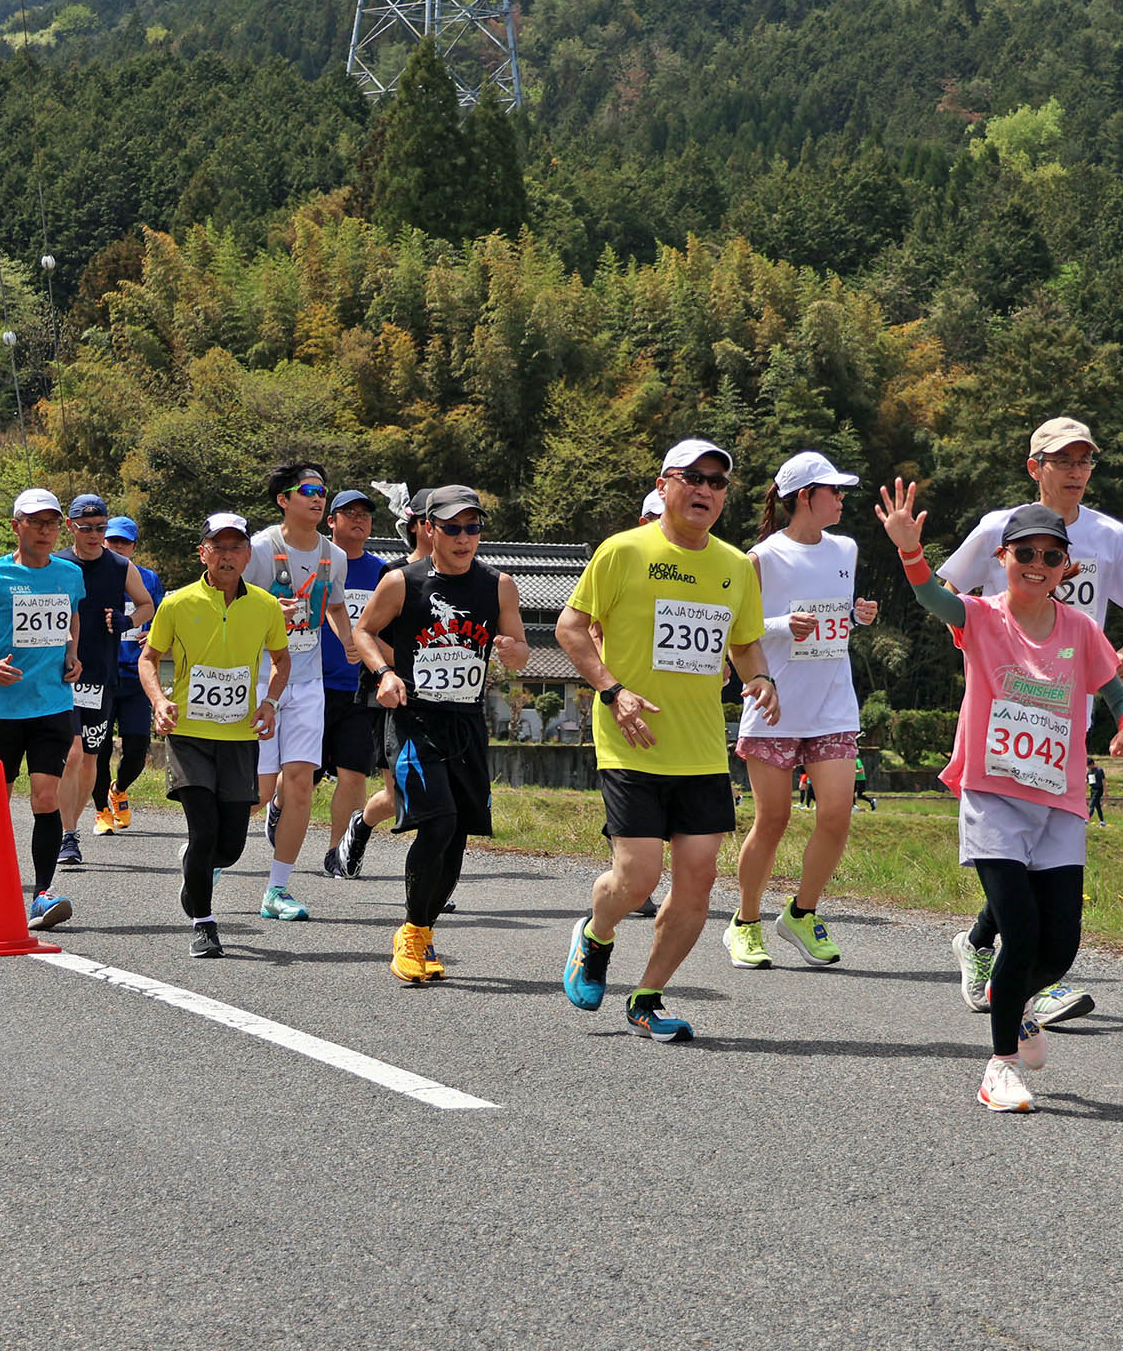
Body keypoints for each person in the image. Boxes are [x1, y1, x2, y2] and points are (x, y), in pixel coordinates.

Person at [884, 487, 1123, 1111]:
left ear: (1065, 568)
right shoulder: (980, 616)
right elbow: (928, 596)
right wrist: (911, 551)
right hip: (994, 793)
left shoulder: (1080, 628)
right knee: (1020, 933)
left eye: (1051, 557)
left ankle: (1017, 1003)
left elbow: (1113, 689)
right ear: (1003, 557)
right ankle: (998, 1067)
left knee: (1061, 946)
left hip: (1058, 801)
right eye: (1025, 552)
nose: (1037, 564)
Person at [558, 438, 778, 1041]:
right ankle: (596, 933)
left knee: (701, 875)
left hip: (702, 746)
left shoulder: (736, 566)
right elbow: (571, 628)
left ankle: (648, 995)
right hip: (633, 739)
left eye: (718, 481)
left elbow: (745, 641)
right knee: (637, 877)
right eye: (693, 477)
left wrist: (759, 675)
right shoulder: (623, 552)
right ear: (664, 485)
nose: (705, 489)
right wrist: (612, 689)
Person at [943, 418, 1123, 1028]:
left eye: (1085, 460)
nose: (1076, 471)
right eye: (1063, 460)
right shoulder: (995, 527)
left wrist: (1119, 666)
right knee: (1016, 864)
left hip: (1071, 705)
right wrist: (987, 648)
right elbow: (948, 591)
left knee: (1039, 857)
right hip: (1004, 704)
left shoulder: (1111, 536)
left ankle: (988, 950)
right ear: (1034, 466)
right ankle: (1024, 990)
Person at [353, 485, 529, 981]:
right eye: (452, 527)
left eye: (472, 527)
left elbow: (517, 646)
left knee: (458, 836)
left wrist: (515, 654)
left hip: (466, 725)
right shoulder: (402, 582)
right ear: (427, 529)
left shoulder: (499, 585)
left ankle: (424, 931)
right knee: (439, 822)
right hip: (415, 722)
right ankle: (409, 933)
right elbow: (364, 631)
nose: (463, 537)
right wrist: (384, 674)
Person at [724, 451, 878, 970]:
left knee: (836, 815)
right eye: (833, 490)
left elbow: (838, 616)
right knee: (773, 818)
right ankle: (744, 923)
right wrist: (781, 624)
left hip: (833, 701)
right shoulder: (760, 558)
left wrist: (858, 616)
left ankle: (801, 913)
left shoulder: (847, 548)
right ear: (804, 497)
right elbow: (735, 629)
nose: (841, 499)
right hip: (775, 702)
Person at [139, 513, 290, 958]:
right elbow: (148, 659)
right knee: (204, 830)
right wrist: (159, 701)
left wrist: (270, 703)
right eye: (217, 546)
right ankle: (204, 923)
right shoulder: (177, 603)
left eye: (235, 547)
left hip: (239, 736)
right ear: (202, 552)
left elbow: (282, 661)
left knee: (230, 846)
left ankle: (197, 866)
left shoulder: (264, 605)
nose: (227, 555)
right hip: (188, 734)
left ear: (248, 554)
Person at [0, 487, 85, 930]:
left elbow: (72, 616)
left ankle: (42, 894)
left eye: (52, 523)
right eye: (36, 522)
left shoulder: (69, 574)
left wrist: (73, 653)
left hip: (52, 703)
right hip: (3, 706)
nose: (45, 531)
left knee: (46, 797)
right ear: (17, 526)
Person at [244, 460, 356, 920]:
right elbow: (231, 603)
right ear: (283, 500)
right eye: (307, 490)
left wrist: (350, 642)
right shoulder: (260, 549)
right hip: (258, 678)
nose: (317, 498)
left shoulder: (337, 556)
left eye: (322, 491)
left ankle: (277, 889)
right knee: (253, 791)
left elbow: (333, 604)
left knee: (302, 786)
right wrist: (272, 608)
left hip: (308, 682)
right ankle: (207, 857)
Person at [333, 485, 438, 873]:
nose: (457, 532)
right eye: (442, 521)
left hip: (444, 700)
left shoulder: (468, 580)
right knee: (399, 794)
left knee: (439, 789)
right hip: (388, 696)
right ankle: (360, 825)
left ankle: (432, 880)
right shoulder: (393, 575)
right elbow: (368, 633)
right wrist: (410, 669)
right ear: (419, 526)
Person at [54, 495, 155, 866]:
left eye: (101, 528)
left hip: (102, 673)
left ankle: (70, 826)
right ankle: (66, 834)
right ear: (72, 527)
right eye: (87, 528)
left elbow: (147, 604)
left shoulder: (120, 566)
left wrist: (128, 621)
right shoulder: (59, 563)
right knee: (74, 752)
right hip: (61, 673)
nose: (95, 535)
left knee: (90, 758)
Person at [319, 490, 394, 879]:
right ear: (331, 520)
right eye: (349, 513)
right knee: (300, 774)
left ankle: (337, 851)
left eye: (365, 514)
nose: (359, 520)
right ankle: (279, 806)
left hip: (360, 688)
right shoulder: (314, 562)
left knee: (353, 773)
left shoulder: (381, 572)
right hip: (312, 684)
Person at [92, 515, 162, 836]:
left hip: (135, 678)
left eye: (124, 542)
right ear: (104, 540)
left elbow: (161, 617)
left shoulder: (148, 579)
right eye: (113, 541)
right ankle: (102, 812)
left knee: (137, 748)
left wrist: (157, 635)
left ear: (134, 546)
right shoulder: (91, 573)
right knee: (100, 748)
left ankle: (118, 789)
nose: (118, 547)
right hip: (102, 676)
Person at [1086, 760, 1107, 826]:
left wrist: (1106, 791)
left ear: (1092, 764)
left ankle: (1087, 819)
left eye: (1089, 765)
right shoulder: (1089, 771)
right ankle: (1102, 821)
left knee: (1092, 804)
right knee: (1097, 806)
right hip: (1092, 789)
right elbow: (1087, 780)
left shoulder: (1099, 770)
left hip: (1099, 789)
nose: (1088, 767)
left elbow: (1103, 781)